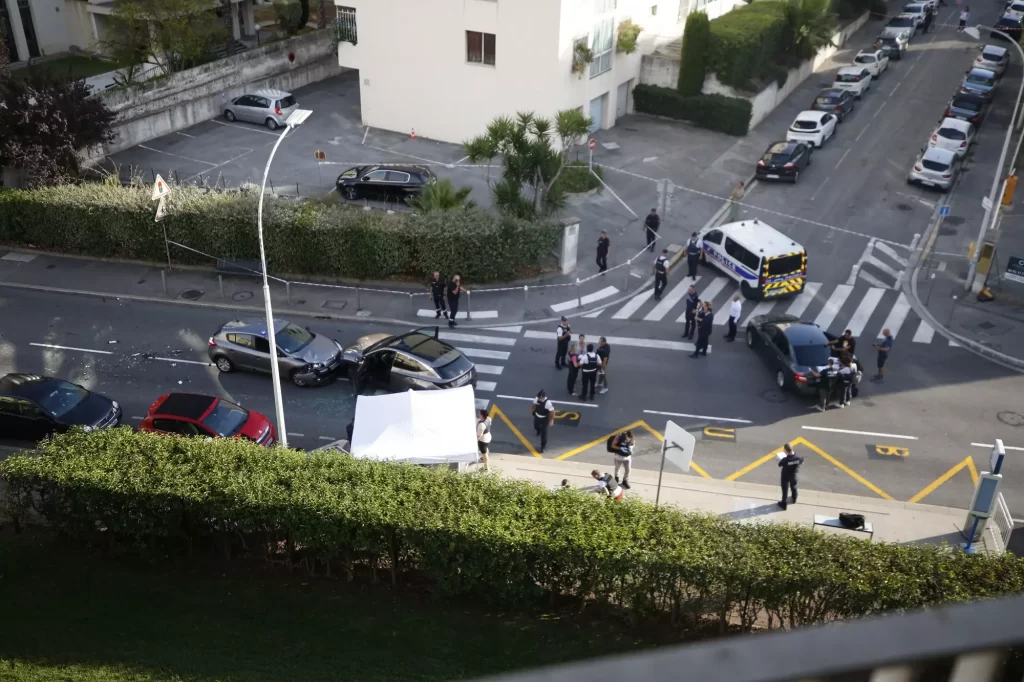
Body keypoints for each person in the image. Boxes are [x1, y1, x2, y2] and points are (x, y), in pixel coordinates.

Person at [777, 444, 804, 510]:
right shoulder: (799, 458)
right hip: (793, 475)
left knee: (785, 489)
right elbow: (802, 462)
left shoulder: (785, 459)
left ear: (786, 450)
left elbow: (779, 465)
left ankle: (784, 503)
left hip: (785, 475)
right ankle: (794, 498)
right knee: (794, 487)